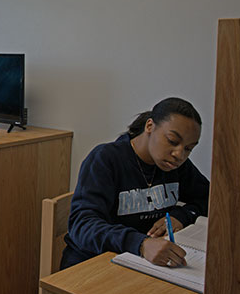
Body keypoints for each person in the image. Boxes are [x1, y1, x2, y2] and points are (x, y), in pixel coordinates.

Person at [61, 97, 209, 269]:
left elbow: (210, 199)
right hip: (91, 263)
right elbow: (82, 225)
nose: (179, 154)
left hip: (139, 263)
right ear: (149, 126)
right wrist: (141, 244)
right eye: (172, 141)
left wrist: (182, 216)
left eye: (188, 148)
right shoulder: (106, 159)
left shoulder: (175, 165)